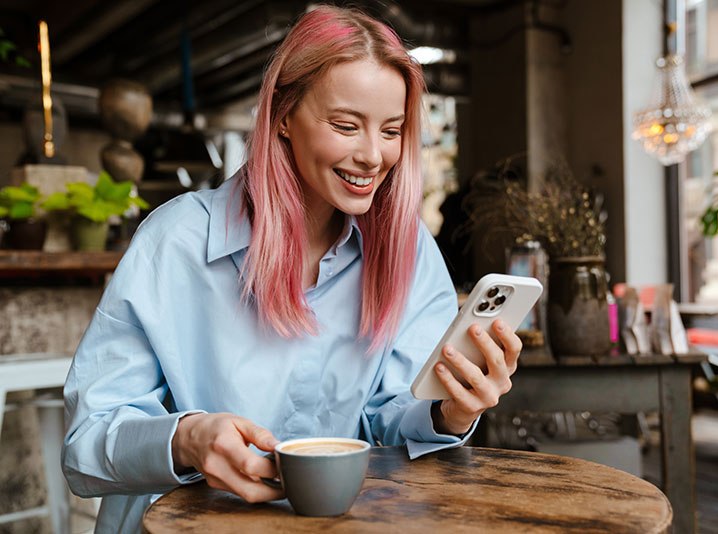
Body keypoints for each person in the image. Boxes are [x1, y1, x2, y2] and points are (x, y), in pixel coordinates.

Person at [61, 6, 523, 532]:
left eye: (392, 131)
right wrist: (186, 438)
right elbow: (84, 447)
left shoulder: (406, 247)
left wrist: (450, 413)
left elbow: (389, 418)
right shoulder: (177, 241)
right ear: (283, 114)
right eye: (346, 125)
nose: (374, 155)